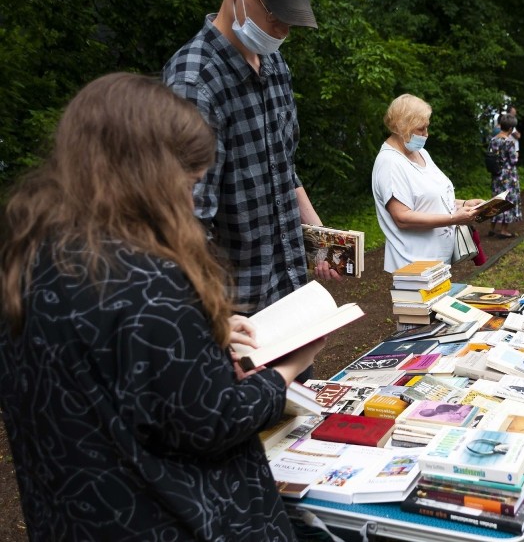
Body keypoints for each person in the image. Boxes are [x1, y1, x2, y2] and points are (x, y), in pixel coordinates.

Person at [0, 73, 326, 540]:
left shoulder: (30, 257)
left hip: (71, 516)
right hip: (168, 519)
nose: (191, 200)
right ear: (149, 176)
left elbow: (106, 368)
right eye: (189, 184)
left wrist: (199, 331)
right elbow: (211, 419)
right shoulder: (148, 277)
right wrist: (290, 368)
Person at [163, 0, 339, 320]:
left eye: (292, 18)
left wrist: (320, 239)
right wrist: (217, 320)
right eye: (275, 13)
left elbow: (282, 167)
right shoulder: (193, 82)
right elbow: (186, 222)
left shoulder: (275, 66)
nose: (283, 29)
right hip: (237, 312)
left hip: (292, 295)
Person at [371, 94, 483, 272]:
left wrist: (464, 204)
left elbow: (431, 199)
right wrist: (454, 218)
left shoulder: (421, 153)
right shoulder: (390, 163)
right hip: (413, 266)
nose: (426, 134)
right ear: (403, 126)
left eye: (426, 128)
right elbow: (402, 218)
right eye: (421, 129)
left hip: (438, 263)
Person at [488, 113, 523, 238]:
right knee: (508, 200)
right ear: (510, 129)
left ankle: (492, 228)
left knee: (497, 199)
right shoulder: (509, 142)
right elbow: (513, 160)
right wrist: (517, 155)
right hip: (508, 177)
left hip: (496, 175)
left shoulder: (493, 140)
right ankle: (503, 230)